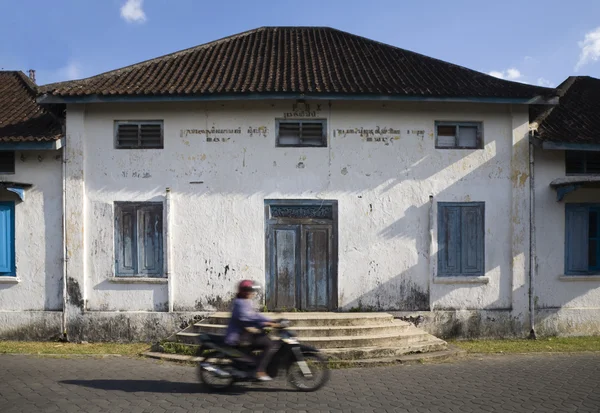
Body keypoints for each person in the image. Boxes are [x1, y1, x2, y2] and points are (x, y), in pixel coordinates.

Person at [225, 280, 280, 381]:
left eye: (250, 290)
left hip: (246, 334)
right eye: (247, 290)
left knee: (266, 339)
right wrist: (266, 323)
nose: (249, 292)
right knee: (270, 344)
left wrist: (270, 320)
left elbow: (255, 315)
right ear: (242, 291)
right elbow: (248, 318)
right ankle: (259, 371)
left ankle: (258, 365)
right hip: (238, 337)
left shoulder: (247, 302)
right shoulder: (239, 303)